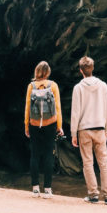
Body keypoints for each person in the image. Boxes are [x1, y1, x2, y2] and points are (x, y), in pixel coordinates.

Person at [71, 56, 107, 205]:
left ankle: (93, 194)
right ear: (92, 68)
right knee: (103, 163)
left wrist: (73, 133)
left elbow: (75, 113)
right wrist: (106, 127)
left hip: (84, 129)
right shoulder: (103, 86)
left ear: (80, 70)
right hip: (100, 128)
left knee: (88, 163)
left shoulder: (78, 88)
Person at [24, 61, 63, 199]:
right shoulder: (53, 85)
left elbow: (27, 107)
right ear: (48, 73)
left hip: (34, 124)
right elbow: (57, 106)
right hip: (50, 124)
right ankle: (47, 189)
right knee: (48, 155)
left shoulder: (31, 86)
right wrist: (59, 126)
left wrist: (26, 125)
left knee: (34, 155)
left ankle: (35, 188)